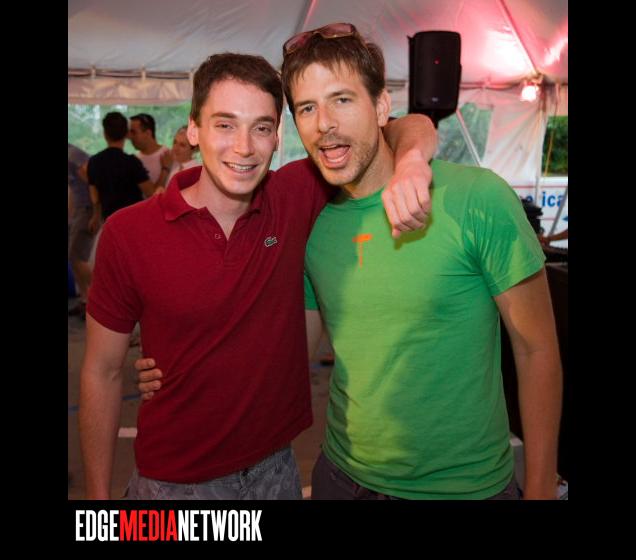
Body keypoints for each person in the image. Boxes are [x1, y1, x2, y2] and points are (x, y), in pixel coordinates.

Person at [140, 22, 563, 500]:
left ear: (381, 106)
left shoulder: (477, 198)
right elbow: (285, 348)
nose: (324, 123)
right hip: (341, 478)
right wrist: (176, 362)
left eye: (341, 99)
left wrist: (541, 485)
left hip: (466, 488)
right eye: (307, 108)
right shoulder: (312, 217)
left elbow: (537, 350)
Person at [79, 51, 438, 500]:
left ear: (277, 135)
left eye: (261, 128)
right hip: (175, 483)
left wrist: (411, 162)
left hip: (277, 470)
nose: (244, 147)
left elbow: (399, 126)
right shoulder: (129, 232)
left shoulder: (293, 194)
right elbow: (101, 372)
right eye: (225, 124)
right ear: (193, 129)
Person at [86, 112, 155, 237]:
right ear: (126, 134)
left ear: (105, 134)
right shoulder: (132, 162)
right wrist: (165, 169)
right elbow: (151, 193)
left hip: (109, 221)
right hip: (133, 222)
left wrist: (95, 216)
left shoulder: (94, 161)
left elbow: (94, 196)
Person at [68, 143, 95, 319]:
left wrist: (96, 211)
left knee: (77, 256)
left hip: (87, 209)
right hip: (79, 210)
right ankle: (85, 301)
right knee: (73, 256)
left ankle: (100, 299)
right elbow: (73, 188)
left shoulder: (73, 155)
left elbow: (93, 181)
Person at [128, 113, 170, 191]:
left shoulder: (168, 155)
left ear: (148, 133)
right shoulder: (135, 161)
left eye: (133, 132)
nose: (130, 137)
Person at [155, 125, 201, 193]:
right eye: (175, 142)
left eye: (182, 145)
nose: (175, 148)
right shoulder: (173, 166)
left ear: (195, 149)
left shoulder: (197, 172)